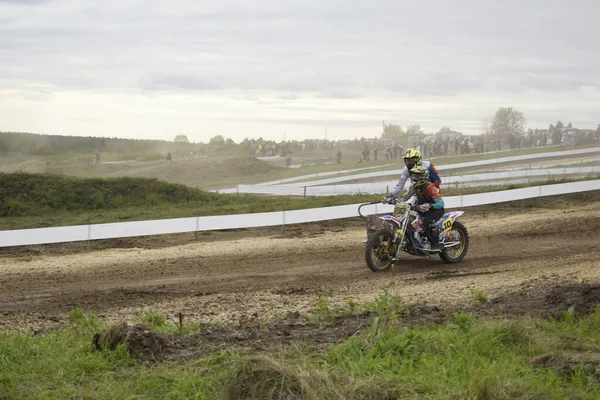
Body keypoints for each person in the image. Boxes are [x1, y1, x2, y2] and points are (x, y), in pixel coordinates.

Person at [383, 166, 445, 251]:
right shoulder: (414, 187)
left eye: (416, 176)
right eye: (413, 176)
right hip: (421, 209)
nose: (414, 178)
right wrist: (393, 200)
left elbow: (441, 203)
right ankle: (416, 240)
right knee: (412, 221)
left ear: (423, 176)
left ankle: (435, 243)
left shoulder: (430, 187)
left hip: (435, 210)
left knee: (427, 222)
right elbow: (405, 196)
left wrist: (430, 205)